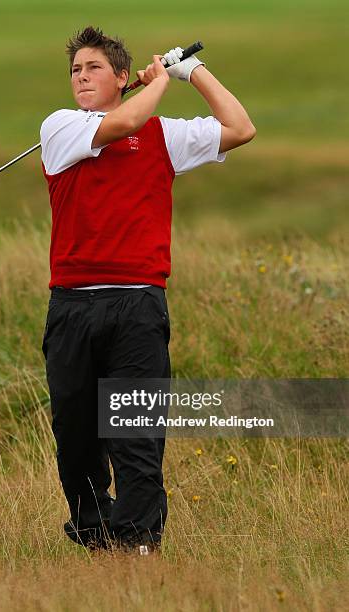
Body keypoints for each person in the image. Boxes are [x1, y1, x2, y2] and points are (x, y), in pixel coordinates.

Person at [40, 26, 255, 554]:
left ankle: (137, 545)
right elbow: (125, 121)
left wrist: (191, 72)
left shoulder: (164, 136)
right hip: (72, 305)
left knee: (135, 436)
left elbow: (241, 127)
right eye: (75, 70)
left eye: (93, 68)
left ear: (119, 76)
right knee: (77, 440)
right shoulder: (61, 127)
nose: (81, 78)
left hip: (138, 304)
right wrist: (159, 80)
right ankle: (97, 537)